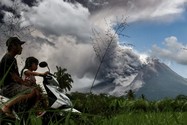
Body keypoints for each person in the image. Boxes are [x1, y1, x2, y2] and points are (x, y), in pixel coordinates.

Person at [0, 37, 40, 118]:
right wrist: (24, 83)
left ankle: (23, 114)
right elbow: (14, 77)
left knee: (36, 93)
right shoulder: (8, 58)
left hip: (13, 86)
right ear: (13, 46)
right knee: (31, 91)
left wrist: (24, 83)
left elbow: (17, 77)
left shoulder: (12, 59)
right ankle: (7, 106)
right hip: (8, 87)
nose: (21, 48)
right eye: (19, 45)